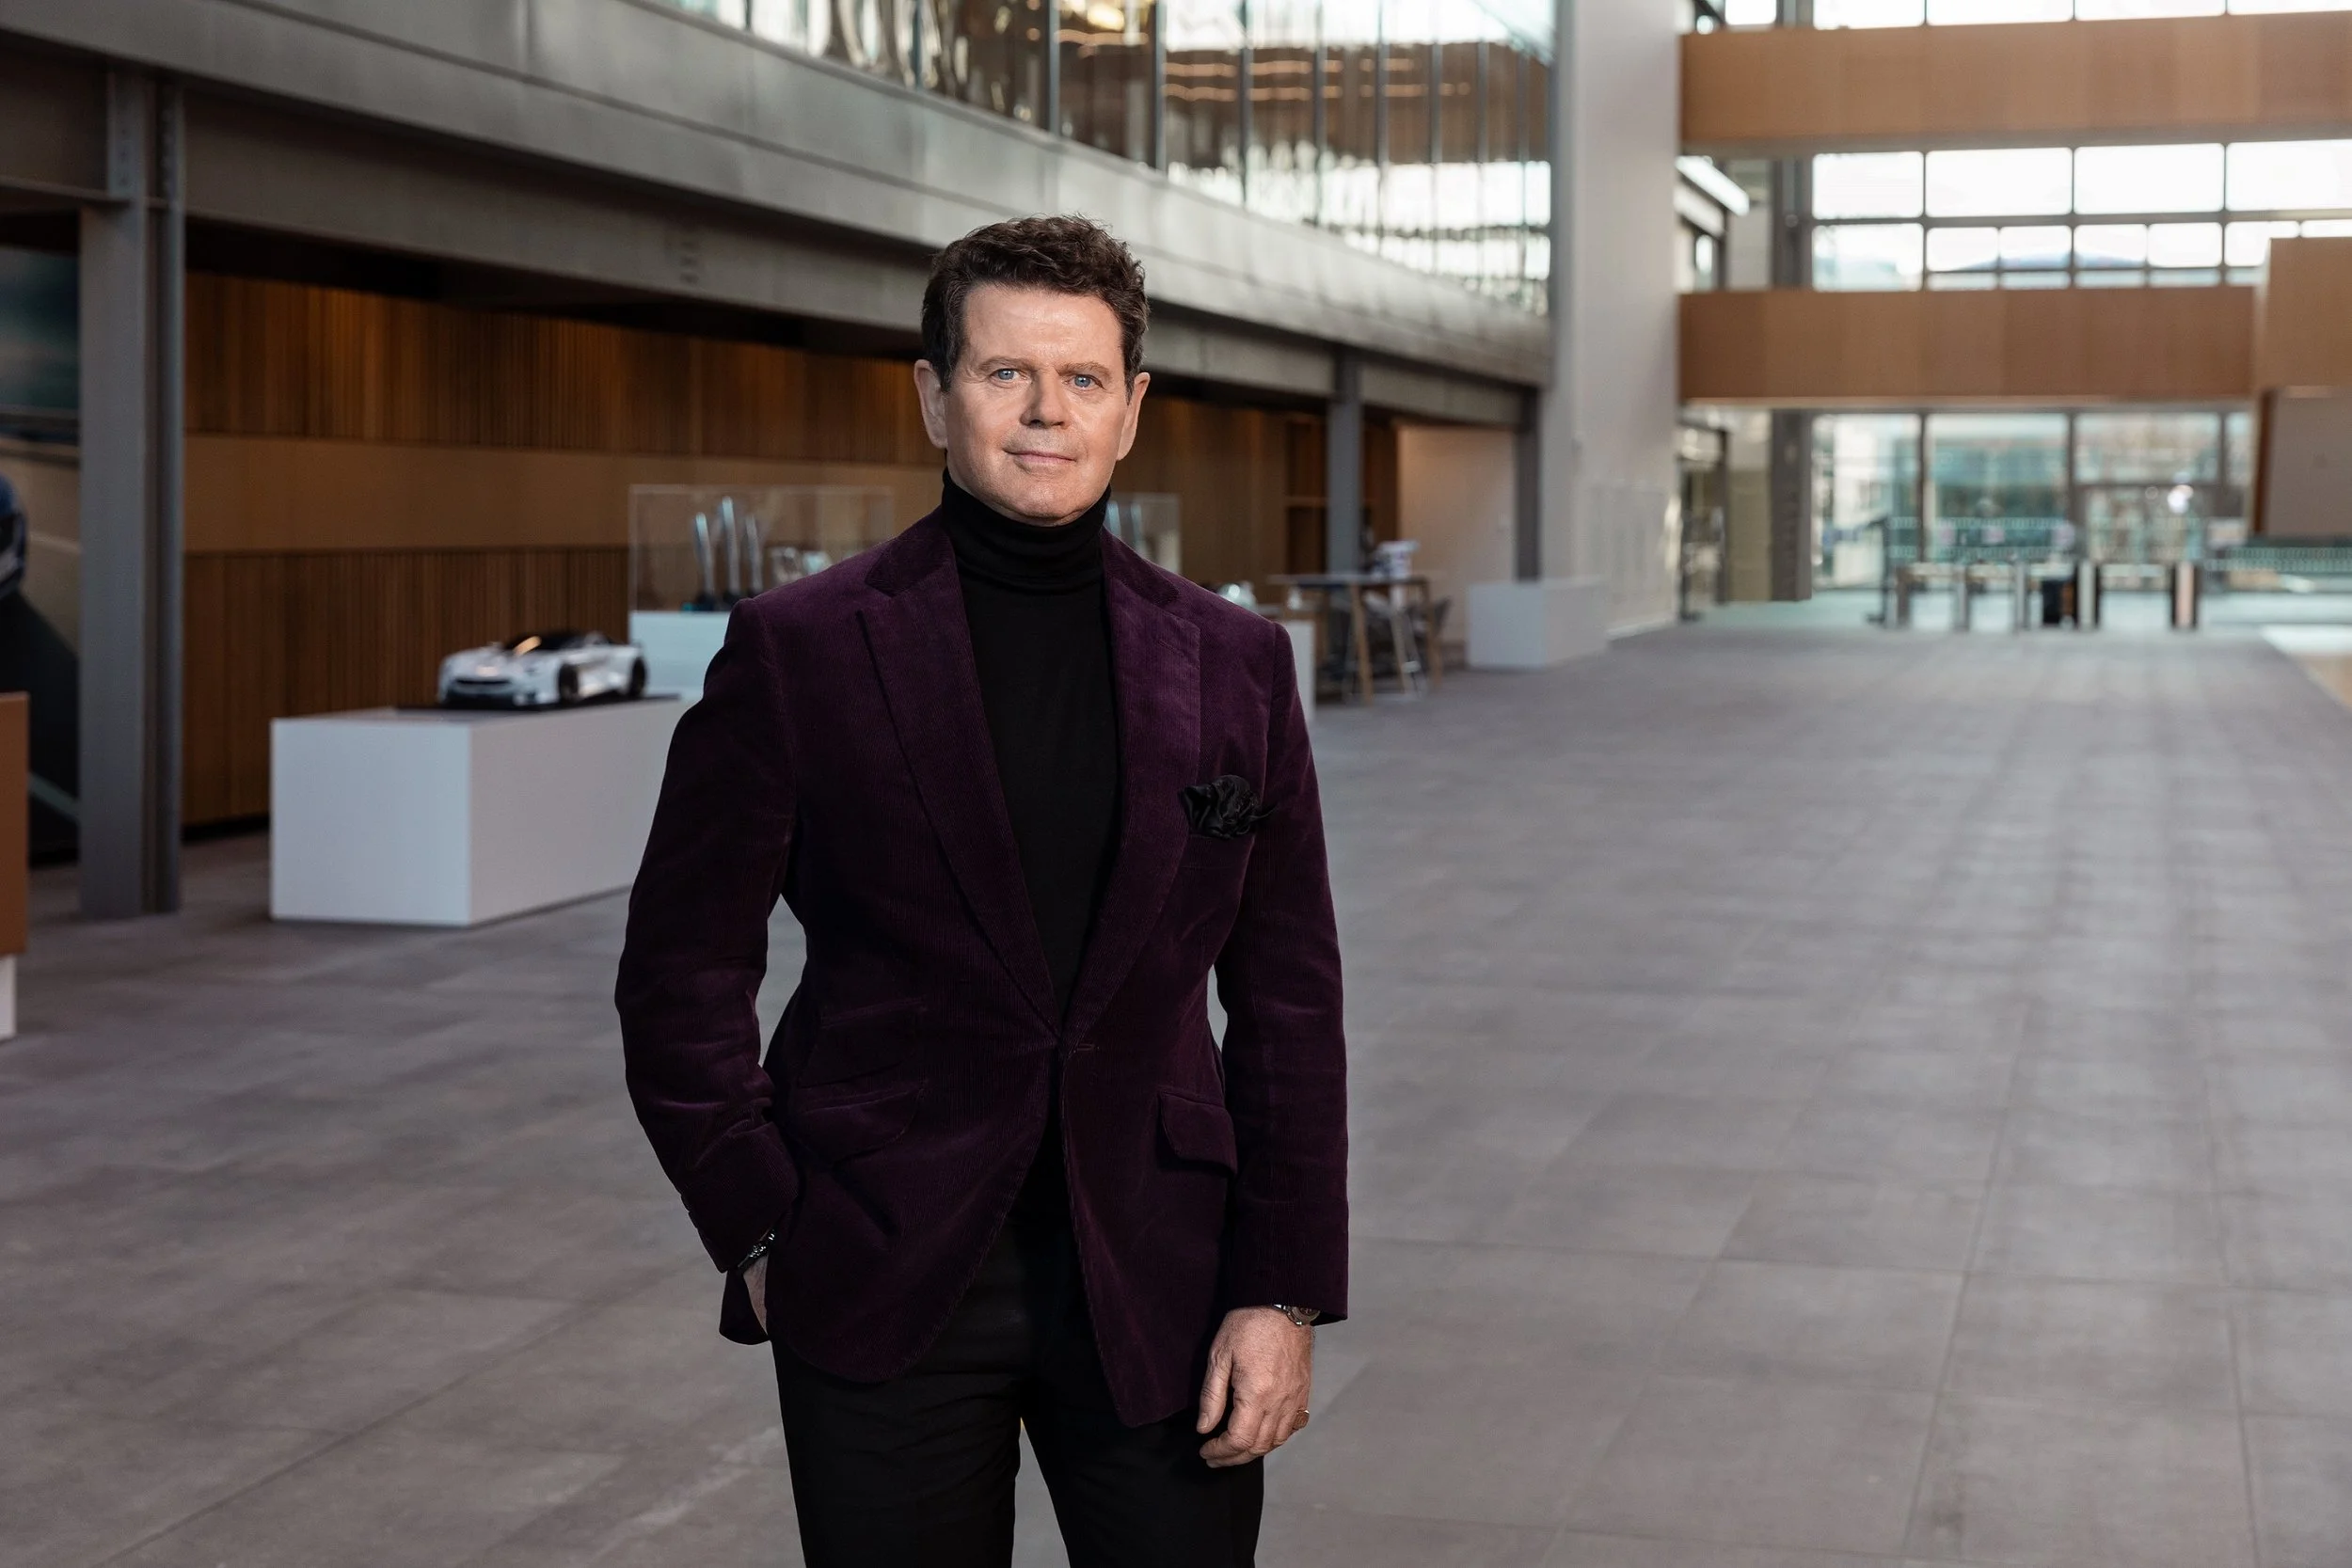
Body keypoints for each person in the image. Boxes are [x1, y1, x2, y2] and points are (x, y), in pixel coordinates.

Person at [615, 214, 1348, 1568]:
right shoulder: (800, 650)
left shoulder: (1237, 662)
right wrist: (760, 1222)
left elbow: (1289, 1005)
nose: (1045, 411)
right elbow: (680, 972)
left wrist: (1284, 1290)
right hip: (880, 1262)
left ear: (1132, 408)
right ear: (933, 395)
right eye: (1006, 372)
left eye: (1082, 379)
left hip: (1163, 1276)